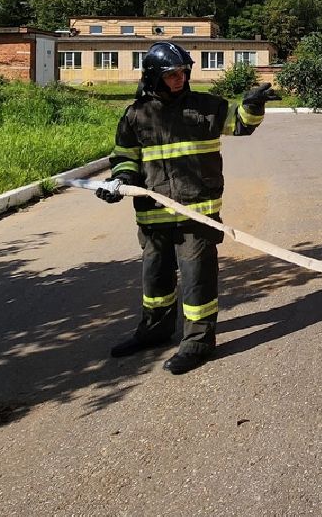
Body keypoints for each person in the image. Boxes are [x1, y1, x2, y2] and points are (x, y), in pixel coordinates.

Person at [95, 41, 273, 375]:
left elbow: (241, 124)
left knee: (196, 280)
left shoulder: (206, 107)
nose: (180, 78)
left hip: (197, 213)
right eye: (172, 74)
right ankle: (156, 329)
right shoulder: (136, 115)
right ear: (154, 76)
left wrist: (253, 105)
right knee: (155, 280)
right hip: (153, 215)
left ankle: (198, 342)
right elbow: (124, 158)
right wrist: (117, 182)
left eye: (183, 72)